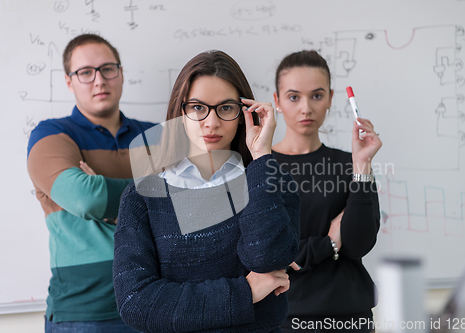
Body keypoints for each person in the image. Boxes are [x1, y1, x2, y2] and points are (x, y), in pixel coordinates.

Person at [112, 50, 301, 333]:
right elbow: (136, 302)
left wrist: (261, 156)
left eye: (225, 108)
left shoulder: (270, 182)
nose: (211, 123)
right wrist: (245, 291)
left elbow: (267, 258)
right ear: (181, 111)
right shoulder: (142, 196)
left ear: (243, 114)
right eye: (198, 107)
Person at [27, 34, 155, 332]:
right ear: (70, 82)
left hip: (154, 301)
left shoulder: (155, 135)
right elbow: (88, 200)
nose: (99, 80)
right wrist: (151, 190)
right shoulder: (50, 135)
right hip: (84, 313)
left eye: (108, 68)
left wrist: (103, 188)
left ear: (121, 73)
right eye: (85, 72)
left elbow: (187, 203)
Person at [272, 50, 382, 333]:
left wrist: (362, 164)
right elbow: (268, 254)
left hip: (350, 317)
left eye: (317, 96)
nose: (306, 108)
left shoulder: (351, 163)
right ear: (277, 102)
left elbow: (360, 244)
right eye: (294, 97)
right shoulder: (262, 168)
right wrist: (329, 244)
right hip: (284, 319)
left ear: (331, 98)